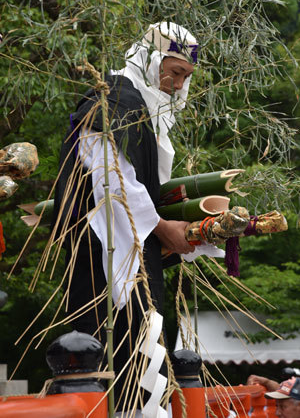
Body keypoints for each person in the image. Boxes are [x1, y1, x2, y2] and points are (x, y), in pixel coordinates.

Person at [52, 22, 200, 414]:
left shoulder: (137, 105)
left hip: (136, 249)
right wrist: (162, 228)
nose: (179, 84)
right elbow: (109, 181)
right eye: (176, 71)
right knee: (111, 349)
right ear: (151, 60)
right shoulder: (116, 99)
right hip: (107, 252)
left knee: (145, 349)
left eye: (186, 77)